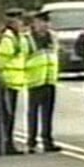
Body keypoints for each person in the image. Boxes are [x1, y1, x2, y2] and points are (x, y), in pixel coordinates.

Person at [0, 8, 29, 155]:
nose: (21, 23)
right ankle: (6, 144)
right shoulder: (8, 39)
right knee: (7, 115)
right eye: (19, 21)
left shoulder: (17, 37)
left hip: (14, 82)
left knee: (10, 115)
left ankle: (8, 142)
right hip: (6, 82)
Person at [25, 10, 62, 153]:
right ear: (34, 24)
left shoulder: (52, 37)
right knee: (33, 113)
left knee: (48, 113)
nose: (44, 26)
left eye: (46, 22)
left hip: (49, 79)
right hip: (34, 80)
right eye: (41, 22)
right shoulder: (28, 39)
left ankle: (48, 141)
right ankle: (31, 141)